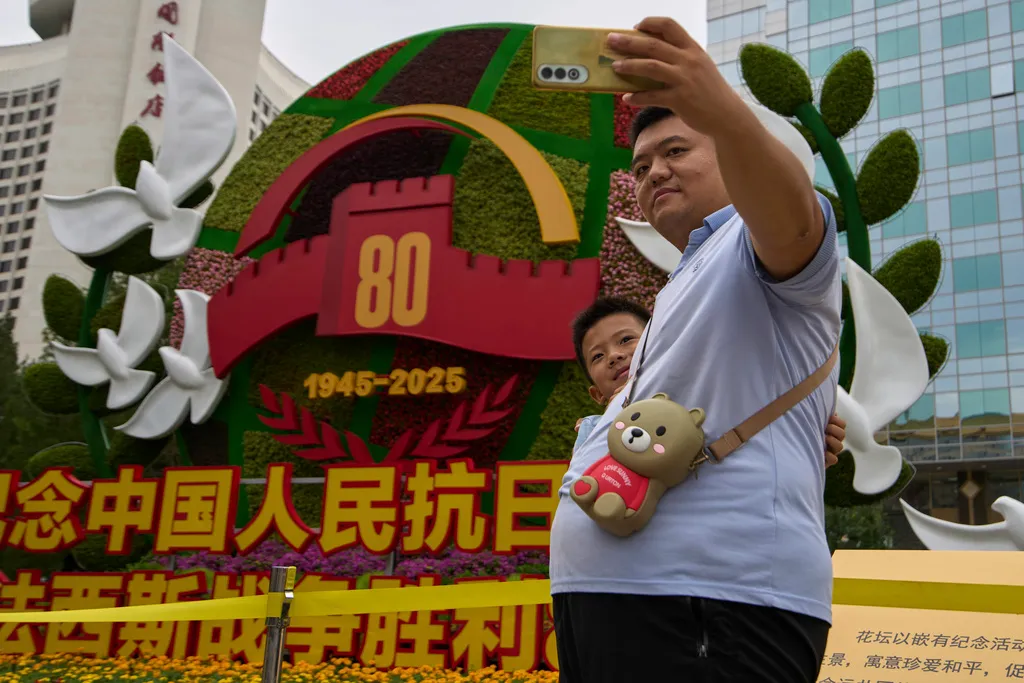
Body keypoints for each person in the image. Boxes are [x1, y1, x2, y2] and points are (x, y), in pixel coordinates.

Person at [549, 16, 843, 683]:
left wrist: (725, 111)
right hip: (629, 603)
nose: (654, 173)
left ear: (733, 152)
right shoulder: (689, 273)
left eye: (678, 150)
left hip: (714, 604)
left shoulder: (754, 236)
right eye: (642, 166)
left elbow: (793, 215)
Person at [570, 296, 846, 463]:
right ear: (596, 395)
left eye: (626, 340)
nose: (614, 356)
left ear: (660, 343)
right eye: (597, 356)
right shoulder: (592, 434)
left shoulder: (706, 395)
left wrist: (802, 443)